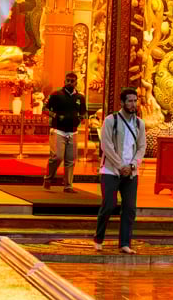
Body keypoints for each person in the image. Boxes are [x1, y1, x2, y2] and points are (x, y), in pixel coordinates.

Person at [94, 86, 147, 254]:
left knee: (130, 208)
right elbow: (106, 145)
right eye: (130, 101)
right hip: (111, 171)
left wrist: (132, 165)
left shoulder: (140, 123)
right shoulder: (111, 120)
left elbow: (142, 147)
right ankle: (98, 237)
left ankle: (125, 243)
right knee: (109, 205)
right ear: (122, 102)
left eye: (135, 101)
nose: (133, 104)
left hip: (131, 172)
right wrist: (120, 165)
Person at [43, 71, 88, 191]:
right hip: (58, 130)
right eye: (67, 80)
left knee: (71, 159)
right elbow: (45, 109)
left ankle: (68, 185)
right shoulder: (56, 95)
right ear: (64, 81)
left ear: (76, 82)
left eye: (72, 81)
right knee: (57, 157)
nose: (69, 83)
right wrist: (56, 116)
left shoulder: (80, 97)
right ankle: (48, 178)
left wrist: (81, 118)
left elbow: (84, 112)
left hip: (73, 132)